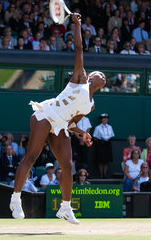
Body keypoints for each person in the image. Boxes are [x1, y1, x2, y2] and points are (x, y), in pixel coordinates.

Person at [10, 14, 106, 224]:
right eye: (99, 73)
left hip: (61, 124)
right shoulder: (79, 78)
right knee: (32, 157)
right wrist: (78, 25)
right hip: (46, 114)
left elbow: (71, 123)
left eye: (104, 78)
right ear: (91, 77)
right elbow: (79, 49)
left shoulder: (91, 106)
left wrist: (83, 133)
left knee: (68, 165)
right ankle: (15, 199)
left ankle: (65, 208)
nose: (102, 76)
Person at [93, 113, 115, 179]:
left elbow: (112, 135)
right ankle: (101, 174)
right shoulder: (98, 127)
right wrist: (100, 141)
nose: (105, 119)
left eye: (106, 118)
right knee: (100, 160)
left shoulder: (110, 127)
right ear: (101, 119)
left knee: (106, 160)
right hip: (100, 144)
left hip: (107, 143)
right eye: (103, 118)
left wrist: (107, 139)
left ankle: (105, 174)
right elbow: (94, 137)